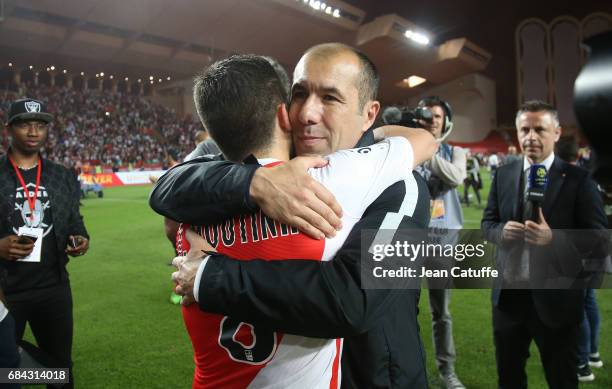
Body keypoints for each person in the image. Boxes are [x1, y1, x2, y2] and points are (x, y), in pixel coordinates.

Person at [151, 43, 433, 388]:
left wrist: (212, 277)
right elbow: (167, 186)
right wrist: (254, 182)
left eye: (330, 98)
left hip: (376, 378)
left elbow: (356, 300)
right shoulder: (263, 168)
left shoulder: (403, 187)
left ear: (369, 114)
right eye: (299, 95)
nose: (307, 114)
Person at [481, 100, 608, 388]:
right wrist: (502, 232)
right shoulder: (504, 173)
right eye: (525, 129)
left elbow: (598, 243)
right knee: (509, 378)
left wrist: (554, 240)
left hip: (558, 303)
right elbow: (487, 224)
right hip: (508, 301)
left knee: (561, 379)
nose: (531, 137)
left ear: (557, 132)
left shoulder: (580, 180)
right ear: (517, 132)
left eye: (540, 129)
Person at [0, 98, 90, 389]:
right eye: (25, 124)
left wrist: (80, 238)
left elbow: (74, 220)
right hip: (6, 292)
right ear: (9, 129)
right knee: (6, 370)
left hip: (53, 287)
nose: (33, 131)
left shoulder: (61, 175)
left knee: (60, 367)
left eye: (40, 125)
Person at [414, 96, 467, 389]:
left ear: (445, 121)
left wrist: (426, 151)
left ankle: (447, 371)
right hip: (407, 240)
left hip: (441, 242)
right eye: (427, 115)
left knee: (441, 312)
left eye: (437, 116)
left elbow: (456, 177)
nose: (432, 120)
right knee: (399, 308)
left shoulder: (455, 151)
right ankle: (403, 366)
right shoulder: (406, 150)